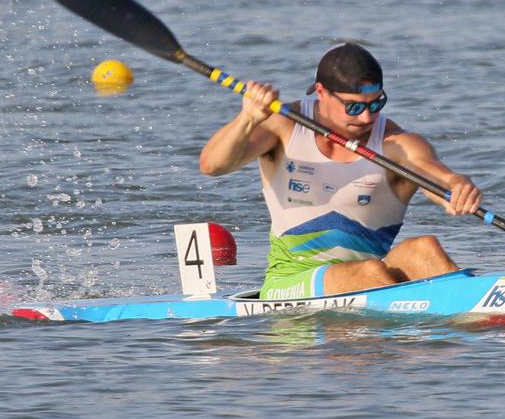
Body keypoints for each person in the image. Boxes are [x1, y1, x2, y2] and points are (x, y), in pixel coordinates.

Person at [199, 43, 482, 300]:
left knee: (424, 249)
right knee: (367, 273)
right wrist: (246, 119)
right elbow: (212, 166)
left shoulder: (397, 143)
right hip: (289, 281)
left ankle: (474, 323)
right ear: (321, 92)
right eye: (354, 106)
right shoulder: (283, 127)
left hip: (369, 274)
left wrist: (456, 188)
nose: (367, 117)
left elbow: (436, 175)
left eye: (376, 104)